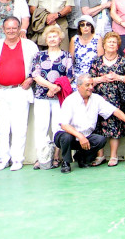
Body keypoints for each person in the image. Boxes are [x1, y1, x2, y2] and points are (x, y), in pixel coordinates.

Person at [53, 74, 125, 173]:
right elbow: (64, 125)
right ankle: (66, 162)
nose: (91, 88)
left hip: (85, 137)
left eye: (92, 85)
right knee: (67, 137)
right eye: (87, 85)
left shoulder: (96, 99)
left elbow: (114, 110)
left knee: (100, 140)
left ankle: (81, 157)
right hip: (67, 136)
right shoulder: (70, 100)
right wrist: (80, 136)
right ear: (78, 87)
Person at [0, 17, 38, 171]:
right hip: (0, 90)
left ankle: (17, 159)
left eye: (14, 28)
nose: (11, 31)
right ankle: (3, 159)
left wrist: (30, 79)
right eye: (8, 28)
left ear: (19, 28)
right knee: (1, 127)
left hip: (20, 90)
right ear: (3, 29)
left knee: (19, 126)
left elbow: (37, 66)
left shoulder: (29, 46)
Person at [30, 25, 74, 170]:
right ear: (46, 39)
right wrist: (50, 86)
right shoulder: (39, 55)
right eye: (50, 37)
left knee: (57, 127)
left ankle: (56, 157)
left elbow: (69, 76)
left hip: (59, 97)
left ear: (60, 39)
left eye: (55, 36)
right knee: (41, 127)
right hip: (41, 96)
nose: (52, 39)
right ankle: (42, 157)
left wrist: (56, 89)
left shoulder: (66, 56)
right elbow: (35, 75)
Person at [89, 32, 125, 167]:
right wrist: (101, 79)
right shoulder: (97, 61)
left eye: (114, 42)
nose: (111, 44)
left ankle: (114, 156)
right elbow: (90, 79)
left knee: (115, 127)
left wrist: (118, 77)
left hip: (117, 99)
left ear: (117, 46)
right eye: (109, 42)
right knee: (98, 126)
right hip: (99, 98)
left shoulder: (123, 61)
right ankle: (100, 155)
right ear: (104, 45)